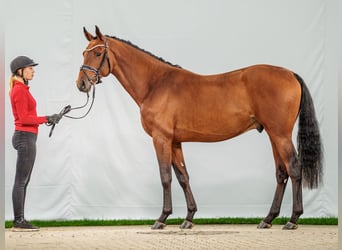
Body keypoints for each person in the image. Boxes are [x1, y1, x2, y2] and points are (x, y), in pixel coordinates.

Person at [9, 56, 62, 231]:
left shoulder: (23, 88)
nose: (33, 70)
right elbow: (24, 118)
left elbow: (27, 117)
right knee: (21, 181)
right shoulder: (19, 90)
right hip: (24, 137)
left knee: (24, 180)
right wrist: (46, 118)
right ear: (20, 71)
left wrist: (48, 119)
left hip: (27, 136)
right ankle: (18, 221)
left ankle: (20, 220)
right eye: (30, 68)